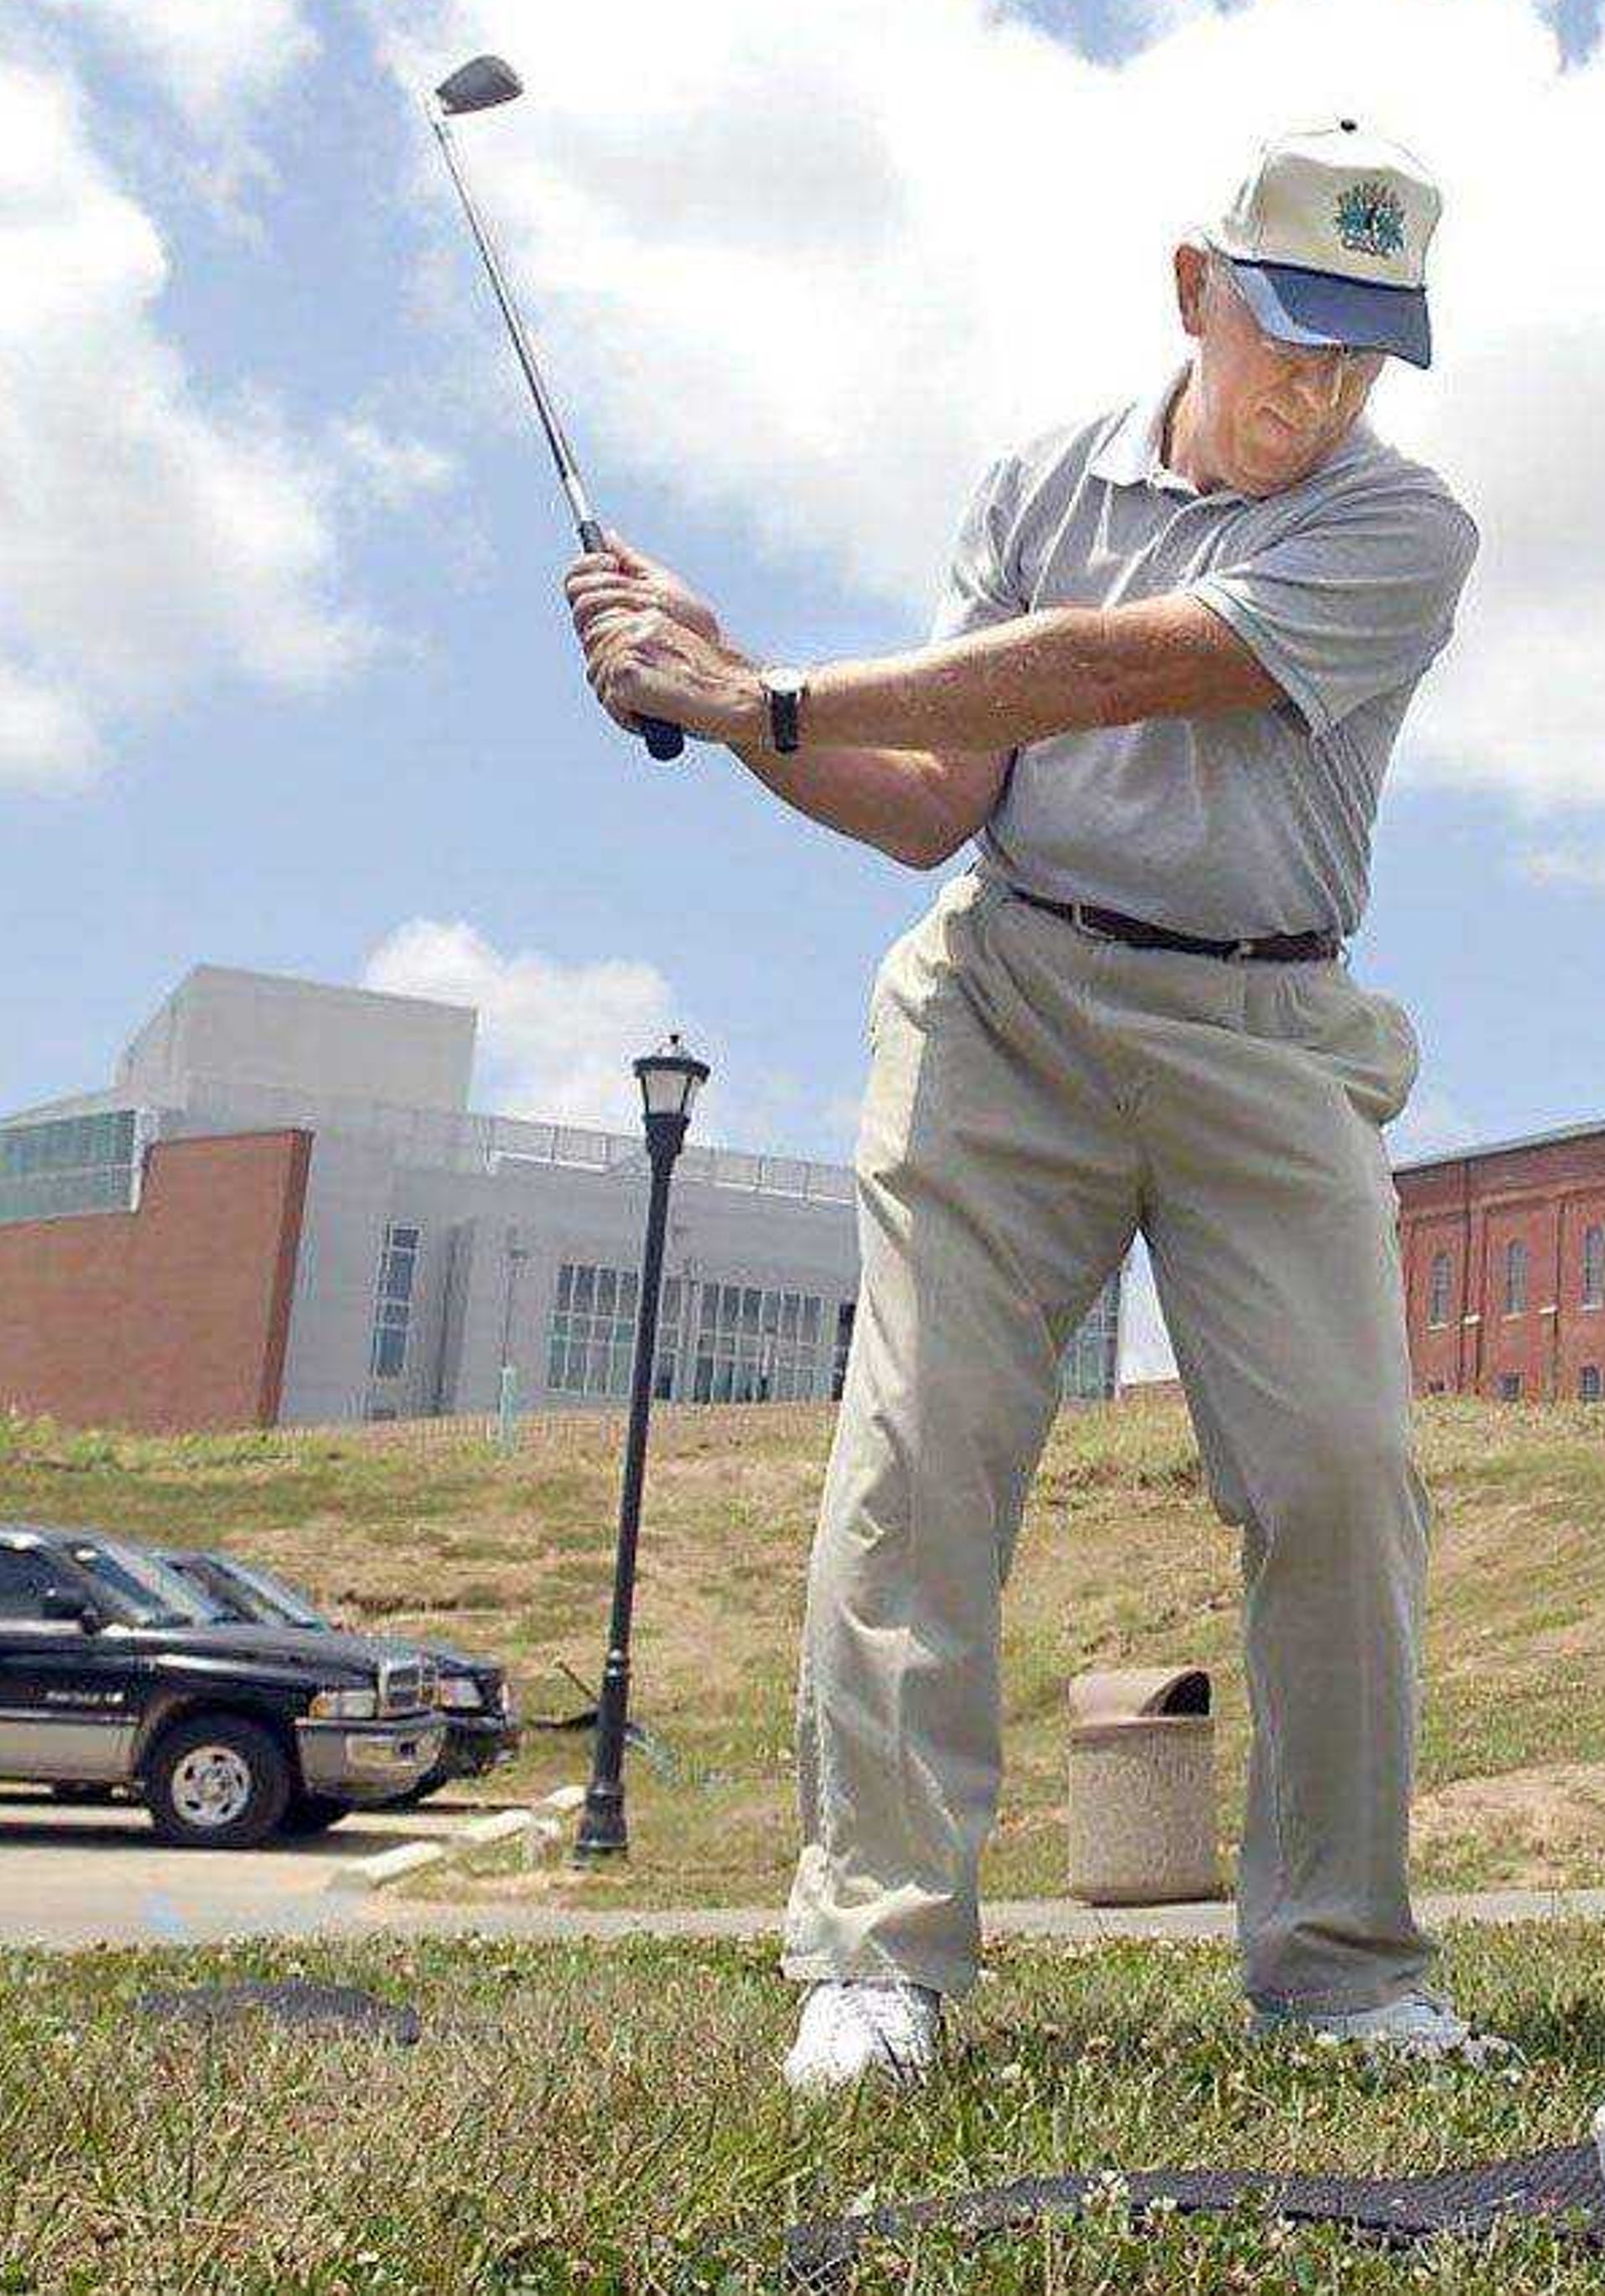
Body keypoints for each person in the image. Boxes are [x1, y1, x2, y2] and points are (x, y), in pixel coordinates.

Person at [559, 121, 1491, 2094]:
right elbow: (926, 802)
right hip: (1010, 1010)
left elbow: (1111, 672)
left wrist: (772, 692)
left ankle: (1339, 1967)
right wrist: (722, 701)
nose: (1315, 392)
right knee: (919, 1456)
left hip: (1267, 1038)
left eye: (1361, 355)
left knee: (1337, 1477)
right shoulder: (1033, 487)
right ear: (1192, 288)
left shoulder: (1402, 531)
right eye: (1287, 336)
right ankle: (879, 1960)